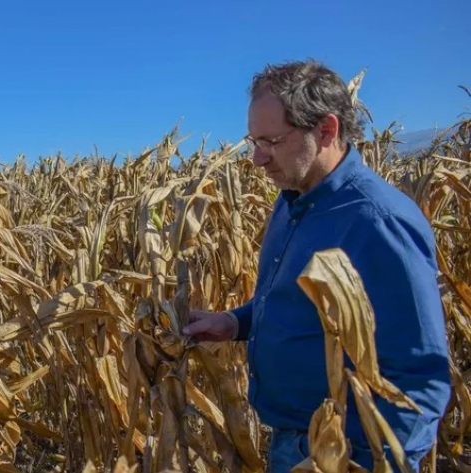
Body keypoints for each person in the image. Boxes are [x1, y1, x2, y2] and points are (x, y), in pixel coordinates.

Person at [182, 59, 451, 472]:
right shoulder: (293, 199)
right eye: (252, 140)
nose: (256, 158)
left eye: (270, 141)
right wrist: (235, 323)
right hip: (292, 444)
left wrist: (371, 463)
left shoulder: (377, 220)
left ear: (325, 130)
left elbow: (421, 377)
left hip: (342, 454)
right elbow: (297, 299)